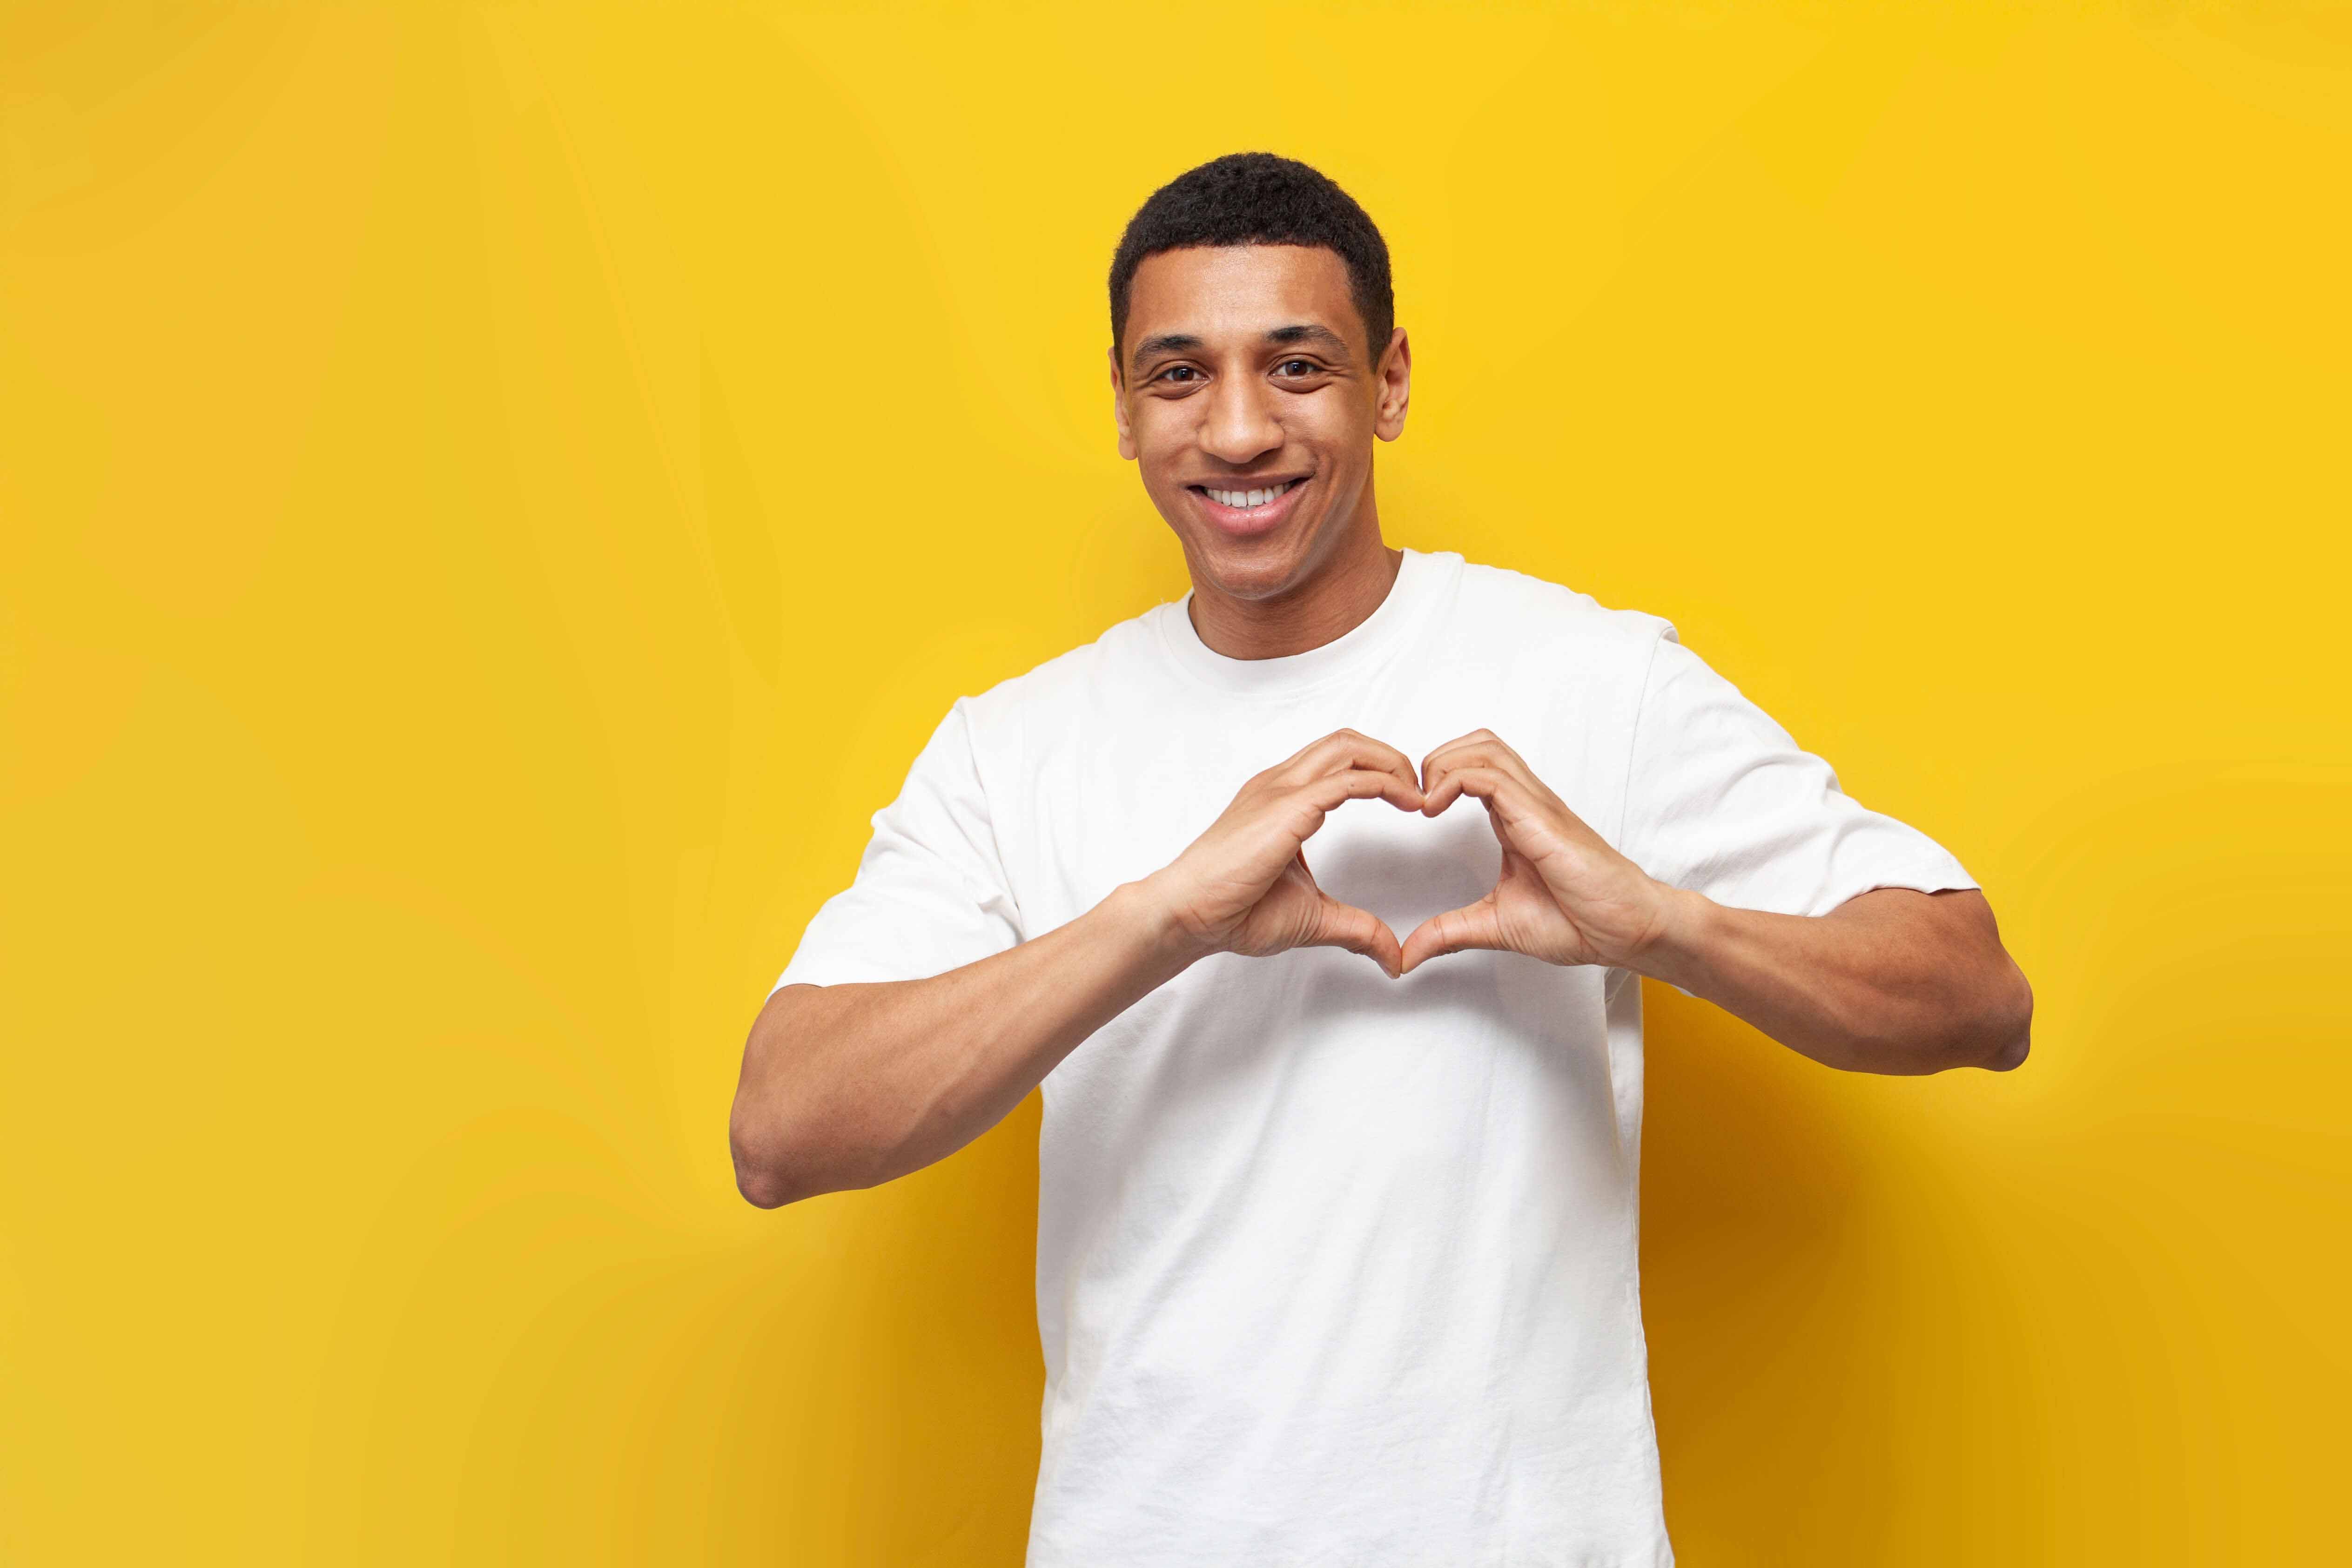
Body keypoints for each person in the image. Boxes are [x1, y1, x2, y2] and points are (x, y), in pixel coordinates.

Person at [730, 151, 2032, 1567]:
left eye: (1296, 366)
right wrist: (1165, 917)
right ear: (1122, 402)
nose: (1236, 430)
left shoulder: (1595, 679)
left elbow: (1976, 994)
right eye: (1179, 376)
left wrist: (1654, 924)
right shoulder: (1016, 748)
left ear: (1389, 382)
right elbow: (783, 1127)